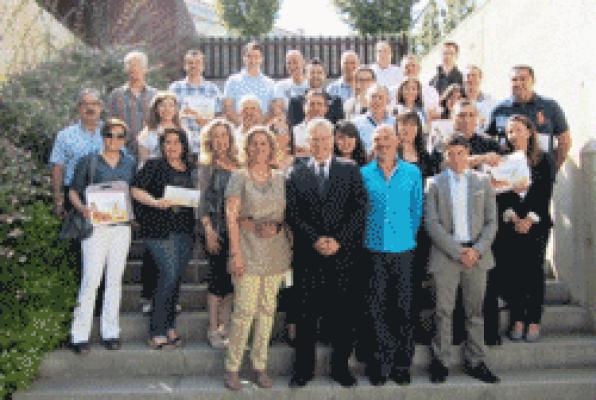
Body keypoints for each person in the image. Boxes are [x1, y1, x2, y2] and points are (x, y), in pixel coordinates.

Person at [285, 118, 367, 388]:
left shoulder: (349, 169)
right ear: (307, 142)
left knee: (343, 314)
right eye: (314, 139)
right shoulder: (296, 173)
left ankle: (340, 369)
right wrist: (315, 240)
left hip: (343, 256)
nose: (319, 144)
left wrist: (339, 240)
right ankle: (303, 370)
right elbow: (293, 214)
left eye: (324, 138)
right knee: (306, 316)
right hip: (309, 256)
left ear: (332, 140)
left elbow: (359, 209)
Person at [425, 135, 500, 384]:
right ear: (445, 157)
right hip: (446, 255)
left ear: (468, 154)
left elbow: (492, 222)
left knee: (474, 311)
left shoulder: (483, 182)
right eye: (451, 154)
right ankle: (441, 361)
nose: (456, 159)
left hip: (477, 255)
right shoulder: (434, 184)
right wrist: (458, 252)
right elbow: (431, 223)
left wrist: (476, 250)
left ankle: (475, 361)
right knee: (442, 311)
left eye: (460, 153)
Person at [223, 126, 291, 391]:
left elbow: (288, 213)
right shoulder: (238, 176)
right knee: (244, 311)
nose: (259, 148)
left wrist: (277, 226)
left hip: (275, 251)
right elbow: (232, 217)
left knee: (267, 311)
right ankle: (232, 367)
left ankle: (260, 365)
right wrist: (235, 254)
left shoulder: (280, 178)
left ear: (271, 148)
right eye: (254, 143)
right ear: (246, 147)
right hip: (247, 250)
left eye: (264, 143)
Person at [360, 124, 423, 385]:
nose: (382, 143)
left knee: (403, 308)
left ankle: (402, 364)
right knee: (376, 309)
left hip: (403, 249)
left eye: (387, 137)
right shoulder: (363, 173)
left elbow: (416, 210)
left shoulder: (412, 172)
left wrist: (405, 235)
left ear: (397, 141)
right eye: (377, 139)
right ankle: (379, 364)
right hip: (372, 249)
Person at [68, 118, 136, 354]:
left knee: (114, 280)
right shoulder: (89, 161)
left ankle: (111, 332)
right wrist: (82, 208)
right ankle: (79, 335)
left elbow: (133, 191)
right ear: (102, 136)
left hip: (121, 227)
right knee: (91, 280)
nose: (114, 140)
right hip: (95, 228)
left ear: (125, 140)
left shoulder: (130, 162)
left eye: (119, 136)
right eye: (109, 135)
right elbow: (73, 192)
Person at [492, 114, 555, 342]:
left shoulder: (544, 159)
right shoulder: (504, 160)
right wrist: (514, 218)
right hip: (511, 224)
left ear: (529, 132)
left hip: (537, 225)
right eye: (510, 131)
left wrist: (529, 219)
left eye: (518, 129)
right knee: (515, 272)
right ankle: (517, 319)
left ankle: (534, 320)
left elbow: (544, 193)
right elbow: (502, 195)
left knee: (534, 272)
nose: (513, 135)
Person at [131, 128, 196, 350]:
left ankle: (170, 327)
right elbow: (135, 190)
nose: (172, 146)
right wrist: (155, 202)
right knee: (168, 275)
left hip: (185, 230)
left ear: (184, 145)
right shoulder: (154, 165)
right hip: (158, 230)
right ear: (162, 146)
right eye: (168, 142)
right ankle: (157, 331)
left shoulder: (192, 169)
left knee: (175, 279)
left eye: (177, 142)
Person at [198, 119, 239, 349]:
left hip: (238, 231)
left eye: (224, 135)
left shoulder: (239, 164)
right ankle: (213, 328)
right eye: (216, 136)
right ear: (209, 140)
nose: (221, 140)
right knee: (217, 280)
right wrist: (208, 230)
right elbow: (201, 201)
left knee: (232, 280)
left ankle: (226, 326)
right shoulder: (206, 166)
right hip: (215, 229)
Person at [486, 65, 571, 172]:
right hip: (508, 173)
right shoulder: (499, 110)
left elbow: (565, 140)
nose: (518, 83)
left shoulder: (550, 106)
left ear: (533, 81)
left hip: (540, 173)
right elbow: (488, 141)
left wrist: (553, 168)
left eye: (523, 79)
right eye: (514, 80)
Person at [50, 87, 104, 218]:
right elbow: (58, 168)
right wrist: (58, 199)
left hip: (104, 192)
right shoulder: (65, 135)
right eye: (85, 104)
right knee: (75, 230)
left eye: (94, 104)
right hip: (74, 194)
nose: (90, 108)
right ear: (79, 108)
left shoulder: (111, 133)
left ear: (100, 107)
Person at [168, 49, 223, 155]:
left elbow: (219, 117)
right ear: (185, 66)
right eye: (190, 63)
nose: (194, 66)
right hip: (182, 145)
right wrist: (181, 115)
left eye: (197, 63)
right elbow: (168, 116)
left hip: (207, 145)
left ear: (203, 66)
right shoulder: (175, 88)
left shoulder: (212, 89)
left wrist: (208, 122)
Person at [107, 51, 157, 153]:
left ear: (145, 69)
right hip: (123, 151)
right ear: (125, 69)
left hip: (150, 151)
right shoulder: (116, 95)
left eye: (138, 65)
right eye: (130, 65)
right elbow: (110, 124)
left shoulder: (155, 95)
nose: (134, 69)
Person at [223, 42, 275, 125]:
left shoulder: (270, 83)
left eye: (256, 57)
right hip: (239, 129)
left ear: (261, 59)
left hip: (261, 129)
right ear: (244, 58)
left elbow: (272, 110)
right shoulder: (232, 81)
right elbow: (228, 109)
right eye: (249, 56)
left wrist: (258, 127)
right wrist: (244, 126)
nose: (253, 60)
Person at [287, 58, 344, 127]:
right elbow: (291, 127)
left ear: (325, 75)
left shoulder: (335, 102)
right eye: (312, 72)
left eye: (319, 73)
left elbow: (339, 128)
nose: (315, 76)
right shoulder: (295, 102)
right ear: (305, 75)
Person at [137, 91, 181, 165]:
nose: (167, 109)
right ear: (156, 109)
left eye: (171, 105)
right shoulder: (146, 133)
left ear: (176, 109)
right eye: (163, 105)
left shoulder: (183, 130)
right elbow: (143, 161)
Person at [352, 84, 395, 156]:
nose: (376, 101)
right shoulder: (355, 123)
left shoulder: (396, 122)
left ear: (388, 101)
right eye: (373, 97)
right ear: (367, 99)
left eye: (380, 97)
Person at [291, 89, 329, 156]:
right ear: (304, 107)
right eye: (311, 104)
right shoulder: (293, 132)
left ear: (326, 108)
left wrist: (304, 151)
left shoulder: (333, 130)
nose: (315, 108)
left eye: (319, 104)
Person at [463, 64, 495, 133]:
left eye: (474, 75)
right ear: (463, 79)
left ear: (481, 78)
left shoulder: (490, 102)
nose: (470, 79)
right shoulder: (457, 100)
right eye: (468, 76)